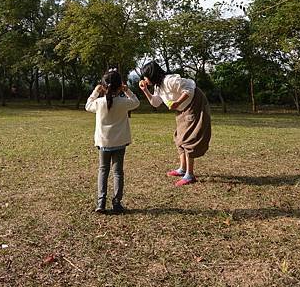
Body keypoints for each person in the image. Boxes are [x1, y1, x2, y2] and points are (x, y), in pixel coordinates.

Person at [139, 61, 211, 186]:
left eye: (146, 76)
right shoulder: (158, 86)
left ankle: (190, 175)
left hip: (195, 104)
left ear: (152, 75)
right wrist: (145, 90)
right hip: (182, 108)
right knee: (179, 138)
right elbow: (155, 103)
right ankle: (182, 169)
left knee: (188, 138)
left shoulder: (169, 80)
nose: (144, 79)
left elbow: (189, 88)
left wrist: (177, 102)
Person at [85, 69, 140, 214]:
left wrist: (95, 92)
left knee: (103, 171)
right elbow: (136, 102)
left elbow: (87, 105)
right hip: (120, 142)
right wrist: (127, 90)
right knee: (118, 173)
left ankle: (101, 203)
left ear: (103, 86)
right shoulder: (124, 102)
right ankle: (116, 203)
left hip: (103, 143)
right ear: (119, 86)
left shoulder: (99, 102)